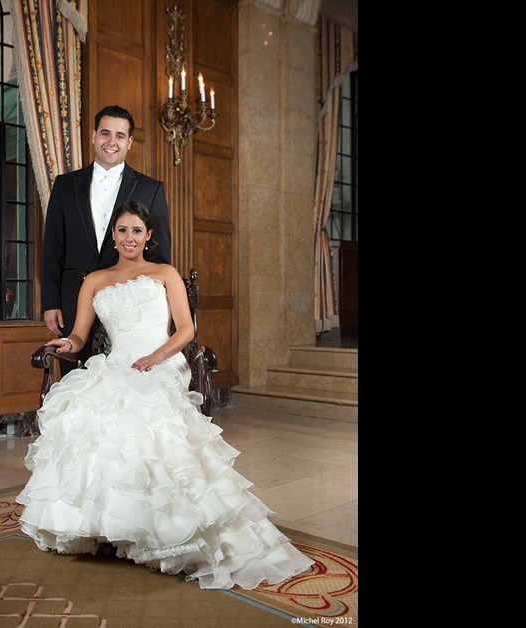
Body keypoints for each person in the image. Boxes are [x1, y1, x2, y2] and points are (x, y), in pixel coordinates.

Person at [17, 200, 314, 590]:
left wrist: (156, 357)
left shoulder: (165, 273)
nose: (129, 237)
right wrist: (65, 344)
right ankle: (109, 525)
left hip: (161, 360)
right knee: (92, 409)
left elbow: (186, 330)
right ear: (113, 235)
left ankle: (162, 530)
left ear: (149, 236)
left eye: (136, 230)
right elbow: (80, 337)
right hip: (116, 363)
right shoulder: (95, 280)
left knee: (141, 410)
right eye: (122, 230)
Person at [41, 105, 172, 374]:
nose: (111, 142)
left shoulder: (151, 188)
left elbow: (160, 254)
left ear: (130, 142)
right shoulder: (65, 185)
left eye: (120, 136)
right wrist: (50, 301)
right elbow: (53, 246)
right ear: (93, 136)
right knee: (75, 381)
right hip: (72, 298)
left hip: (130, 305)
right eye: (105, 133)